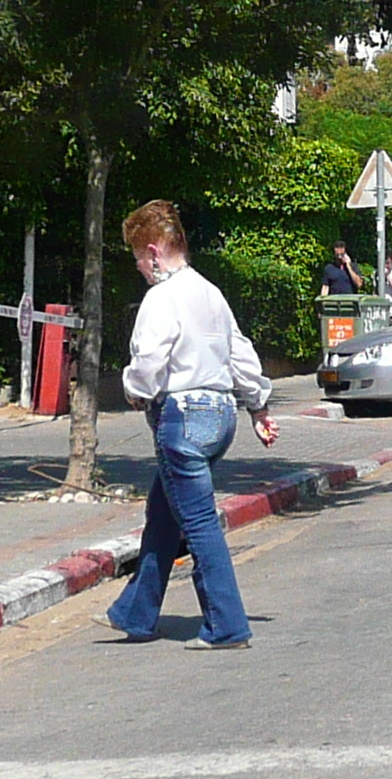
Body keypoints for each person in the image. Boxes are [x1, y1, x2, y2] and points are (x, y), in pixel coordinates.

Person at [106, 200, 279, 650]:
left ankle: (227, 626)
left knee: (199, 523)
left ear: (154, 251)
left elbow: (148, 360)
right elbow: (239, 353)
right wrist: (258, 407)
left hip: (182, 417)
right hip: (220, 416)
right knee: (163, 514)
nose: (141, 269)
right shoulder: (211, 293)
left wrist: (133, 388)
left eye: (139, 260)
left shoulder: (161, 297)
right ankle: (135, 613)